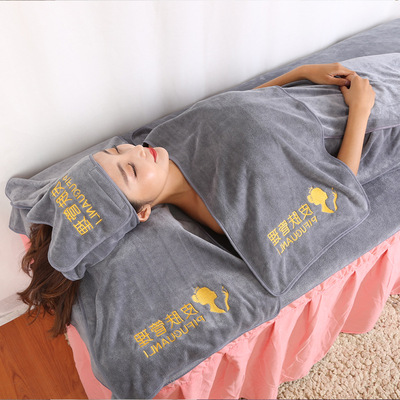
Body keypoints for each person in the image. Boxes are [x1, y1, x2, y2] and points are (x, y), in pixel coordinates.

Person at [17, 62, 375, 336]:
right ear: (143, 212)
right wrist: (361, 109)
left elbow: (233, 107)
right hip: (353, 114)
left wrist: (301, 72)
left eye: (116, 150)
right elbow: (335, 193)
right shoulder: (226, 209)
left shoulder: (163, 137)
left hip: (316, 87)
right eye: (131, 170)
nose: (136, 151)